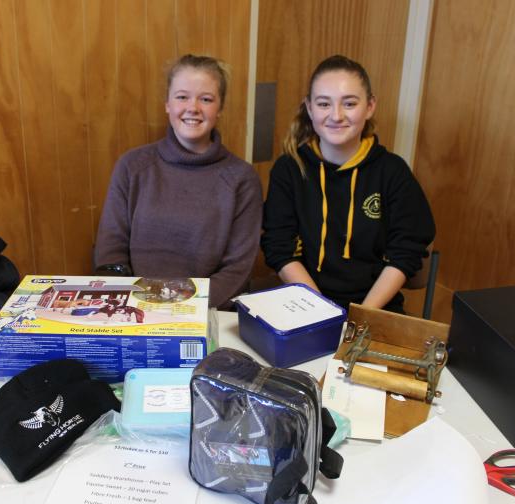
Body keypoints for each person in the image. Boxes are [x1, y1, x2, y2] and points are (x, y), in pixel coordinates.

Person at [261, 55, 435, 313]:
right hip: (305, 305)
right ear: (309, 108)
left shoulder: (393, 172)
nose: (336, 115)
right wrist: (322, 313)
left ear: (370, 106)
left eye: (350, 103)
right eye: (323, 104)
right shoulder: (289, 170)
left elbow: (406, 252)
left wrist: (360, 317)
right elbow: (280, 249)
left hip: (375, 309)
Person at [95, 54, 262, 309]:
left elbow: (237, 269)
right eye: (182, 97)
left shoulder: (242, 178)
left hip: (207, 313)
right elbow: (111, 251)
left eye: (206, 99)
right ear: (167, 104)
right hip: (135, 312)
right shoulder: (132, 166)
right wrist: (135, 307)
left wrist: (184, 309)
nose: (192, 108)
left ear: (219, 109)